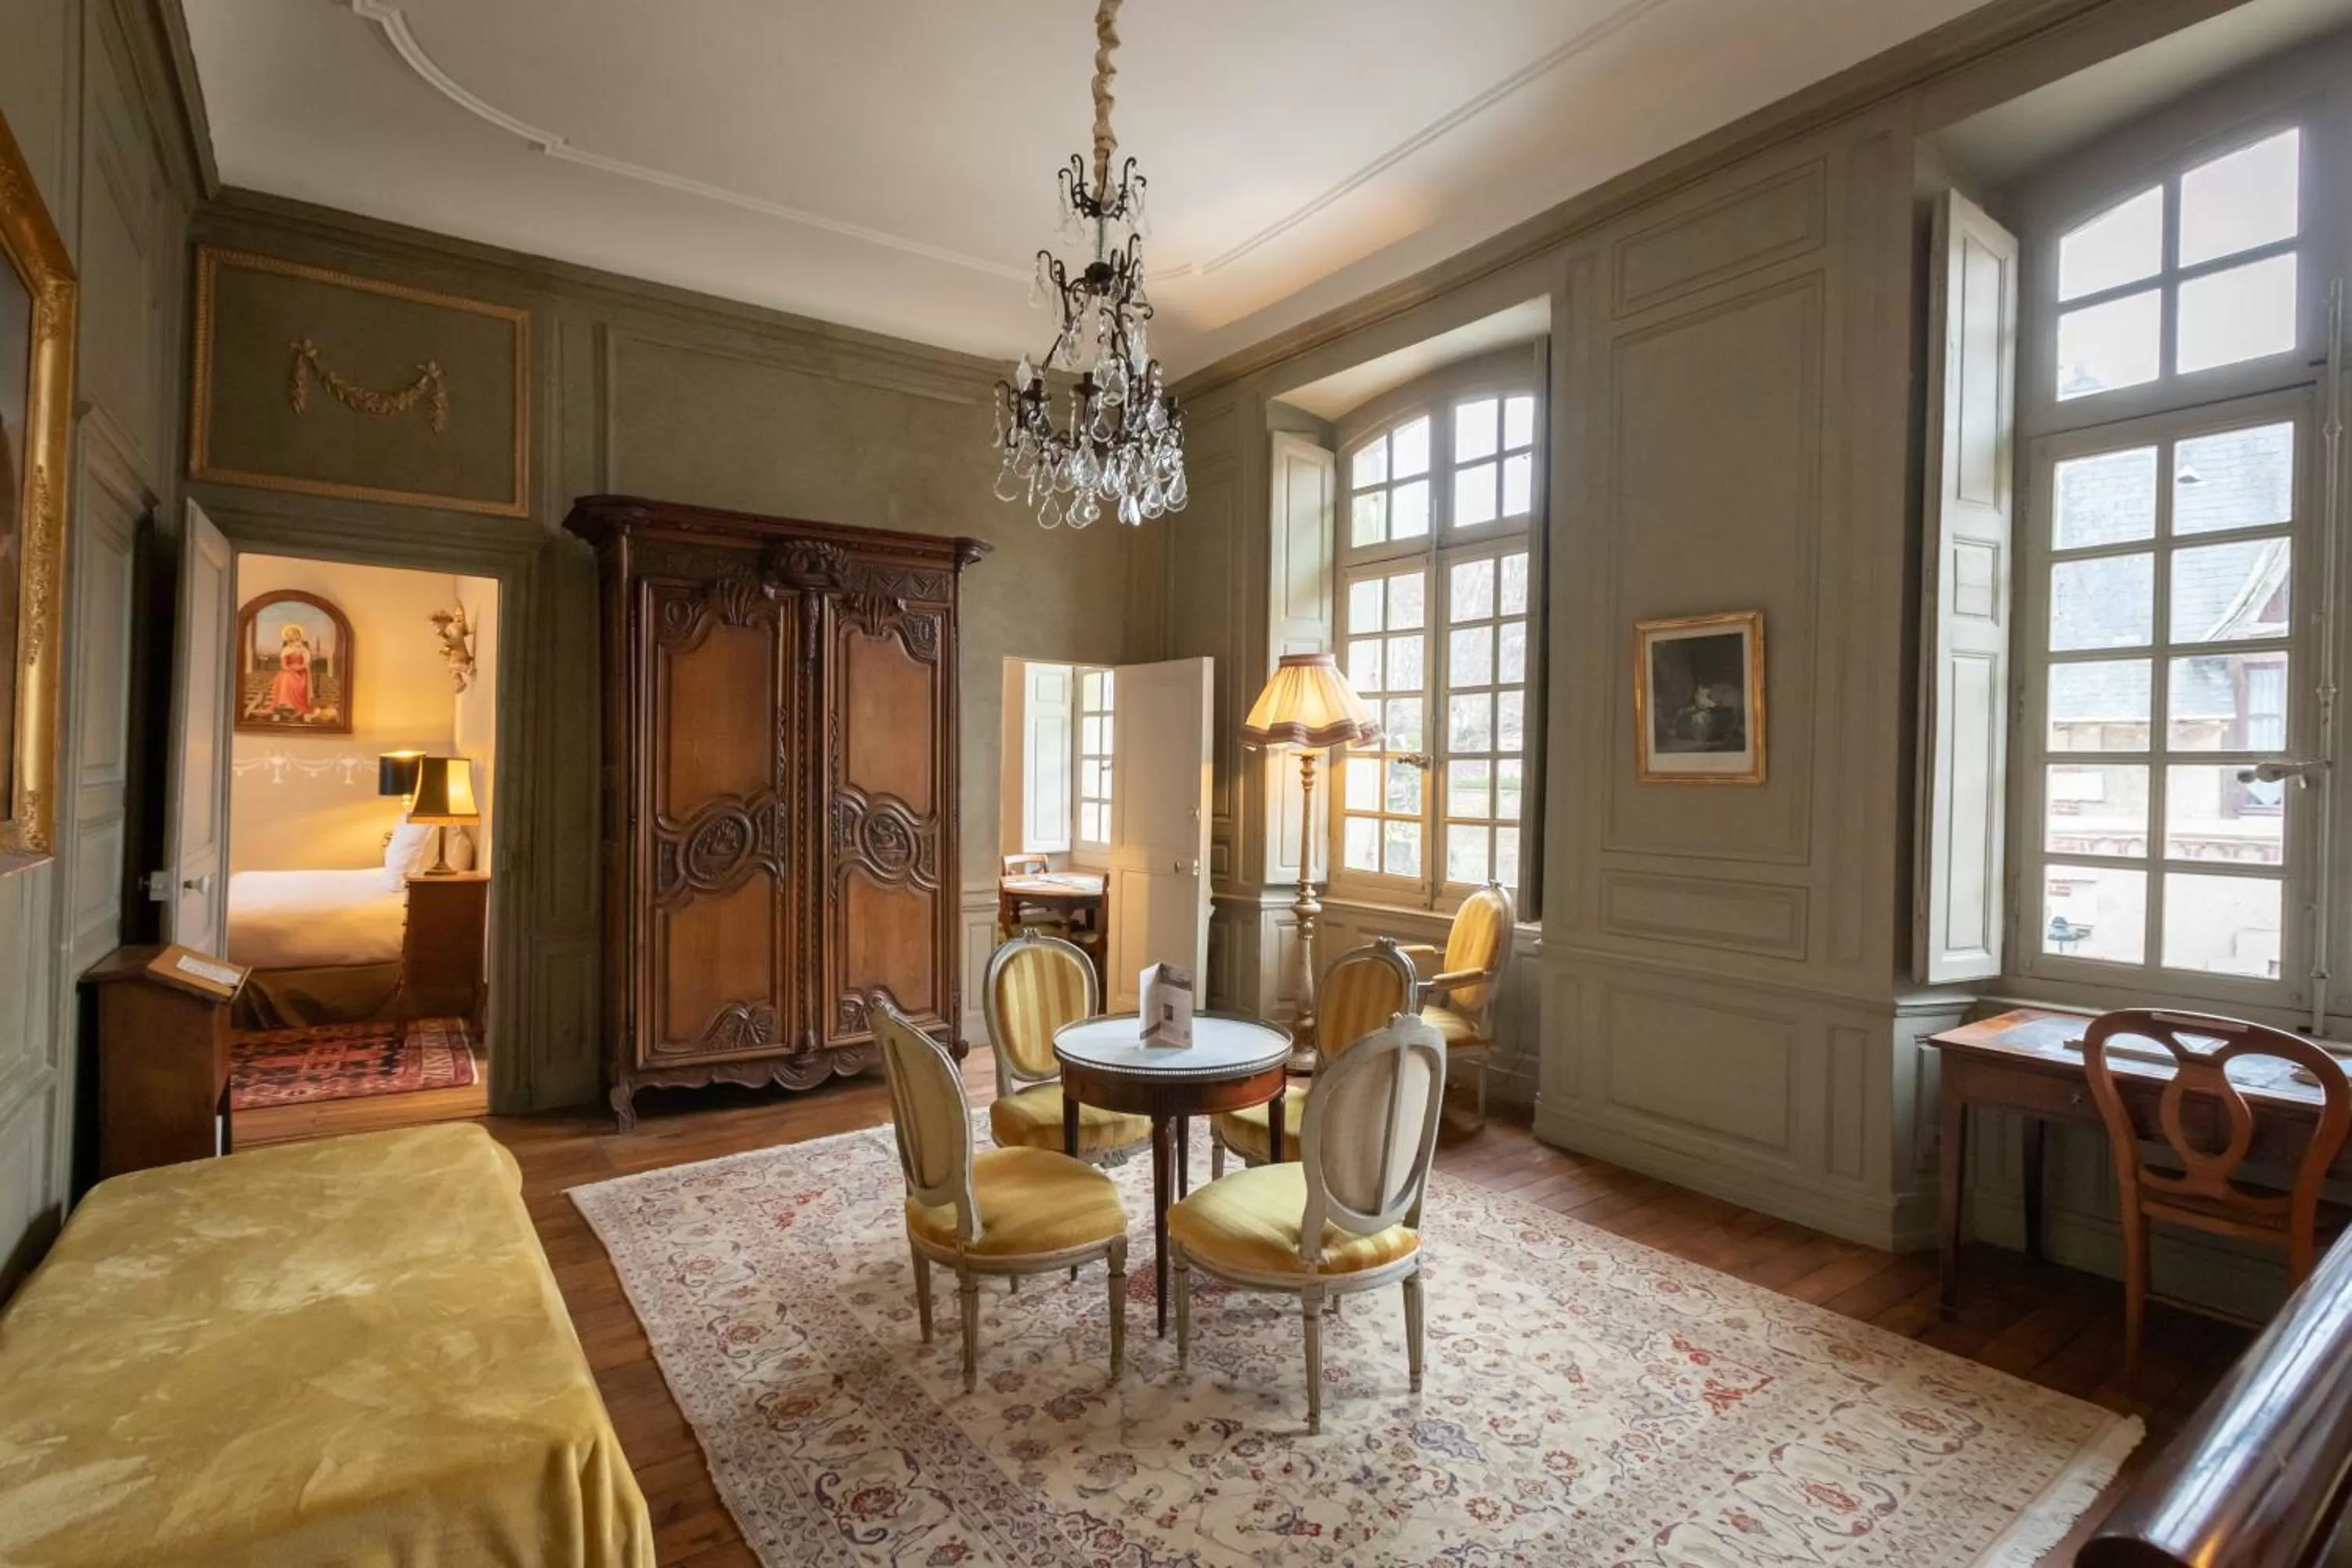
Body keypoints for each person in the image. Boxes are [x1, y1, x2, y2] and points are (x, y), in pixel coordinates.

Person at [266, 622, 314, 718]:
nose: (292, 638)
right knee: (285, 677)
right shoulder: (286, 649)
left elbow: (306, 664)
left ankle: (296, 706)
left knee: (290, 678)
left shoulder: (304, 650)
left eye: (293, 635)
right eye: (289, 636)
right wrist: (291, 670)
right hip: (288, 671)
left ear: (298, 636)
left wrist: (298, 669)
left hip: (301, 673)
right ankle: (285, 704)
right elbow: (283, 665)